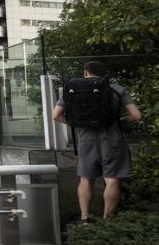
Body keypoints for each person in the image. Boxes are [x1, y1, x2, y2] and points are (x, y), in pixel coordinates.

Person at [52, 61, 142, 223]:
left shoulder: (73, 88)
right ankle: (107, 221)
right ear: (104, 74)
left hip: (86, 139)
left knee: (86, 178)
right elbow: (136, 116)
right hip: (113, 138)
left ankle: (85, 219)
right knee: (112, 179)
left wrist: (77, 124)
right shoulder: (117, 89)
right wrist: (120, 120)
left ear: (85, 72)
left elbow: (56, 115)